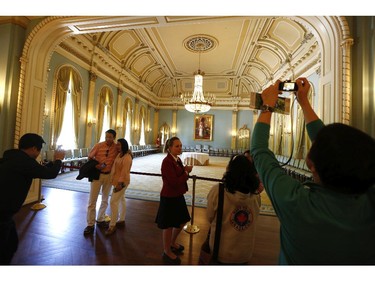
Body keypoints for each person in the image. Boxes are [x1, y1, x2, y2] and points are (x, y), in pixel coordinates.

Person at [250, 77, 375, 264]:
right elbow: (335, 148)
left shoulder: (295, 202)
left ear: (310, 164)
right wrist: (304, 101)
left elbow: (259, 150)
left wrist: (268, 106)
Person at [0, 133, 65, 264]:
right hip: (3, 212)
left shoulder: (10, 157)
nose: (38, 153)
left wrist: (53, 162)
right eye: (39, 150)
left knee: (11, 244)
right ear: (34, 149)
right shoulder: (25, 162)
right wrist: (58, 160)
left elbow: (41, 170)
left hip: (5, 211)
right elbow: (50, 174)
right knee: (5, 248)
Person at [206, 154, 261, 264]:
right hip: (244, 253)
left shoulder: (218, 191)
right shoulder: (256, 196)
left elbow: (209, 217)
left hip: (220, 250)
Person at [155, 137, 193, 265]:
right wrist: (186, 173)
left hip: (178, 195)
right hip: (169, 196)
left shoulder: (177, 159)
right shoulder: (167, 162)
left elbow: (179, 175)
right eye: (177, 146)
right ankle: (167, 250)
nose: (180, 148)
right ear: (169, 148)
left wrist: (185, 170)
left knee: (182, 220)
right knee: (168, 225)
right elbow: (174, 182)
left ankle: (172, 243)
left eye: (181, 146)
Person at [83, 129, 119, 235]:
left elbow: (123, 152)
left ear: (114, 138)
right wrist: (96, 165)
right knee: (92, 201)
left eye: (110, 137)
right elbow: (90, 157)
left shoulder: (116, 147)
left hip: (108, 176)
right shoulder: (98, 145)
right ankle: (90, 224)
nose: (108, 139)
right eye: (106, 137)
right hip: (97, 175)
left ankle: (100, 219)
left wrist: (129, 152)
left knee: (105, 199)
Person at [105, 138, 133, 236]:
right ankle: (121, 219)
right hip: (117, 181)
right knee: (121, 199)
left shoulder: (127, 157)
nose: (117, 146)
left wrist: (120, 184)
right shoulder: (119, 154)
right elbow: (114, 167)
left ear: (124, 145)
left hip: (122, 182)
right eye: (117, 144)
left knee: (113, 202)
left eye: (119, 145)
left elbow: (124, 172)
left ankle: (112, 225)